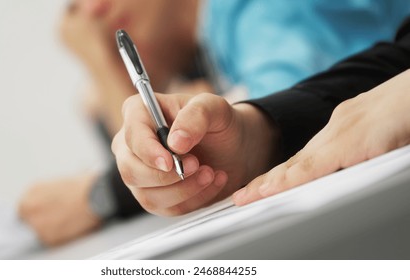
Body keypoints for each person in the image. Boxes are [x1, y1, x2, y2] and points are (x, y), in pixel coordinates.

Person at [19, 0, 410, 246]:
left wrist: (105, 68)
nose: (92, 16)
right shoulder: (216, 39)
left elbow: (309, 115)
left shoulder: (260, 12)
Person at [111, 17, 410, 216]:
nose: (93, 11)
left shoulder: (255, 16)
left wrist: (103, 196)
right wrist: (259, 133)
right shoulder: (216, 36)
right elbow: (399, 60)